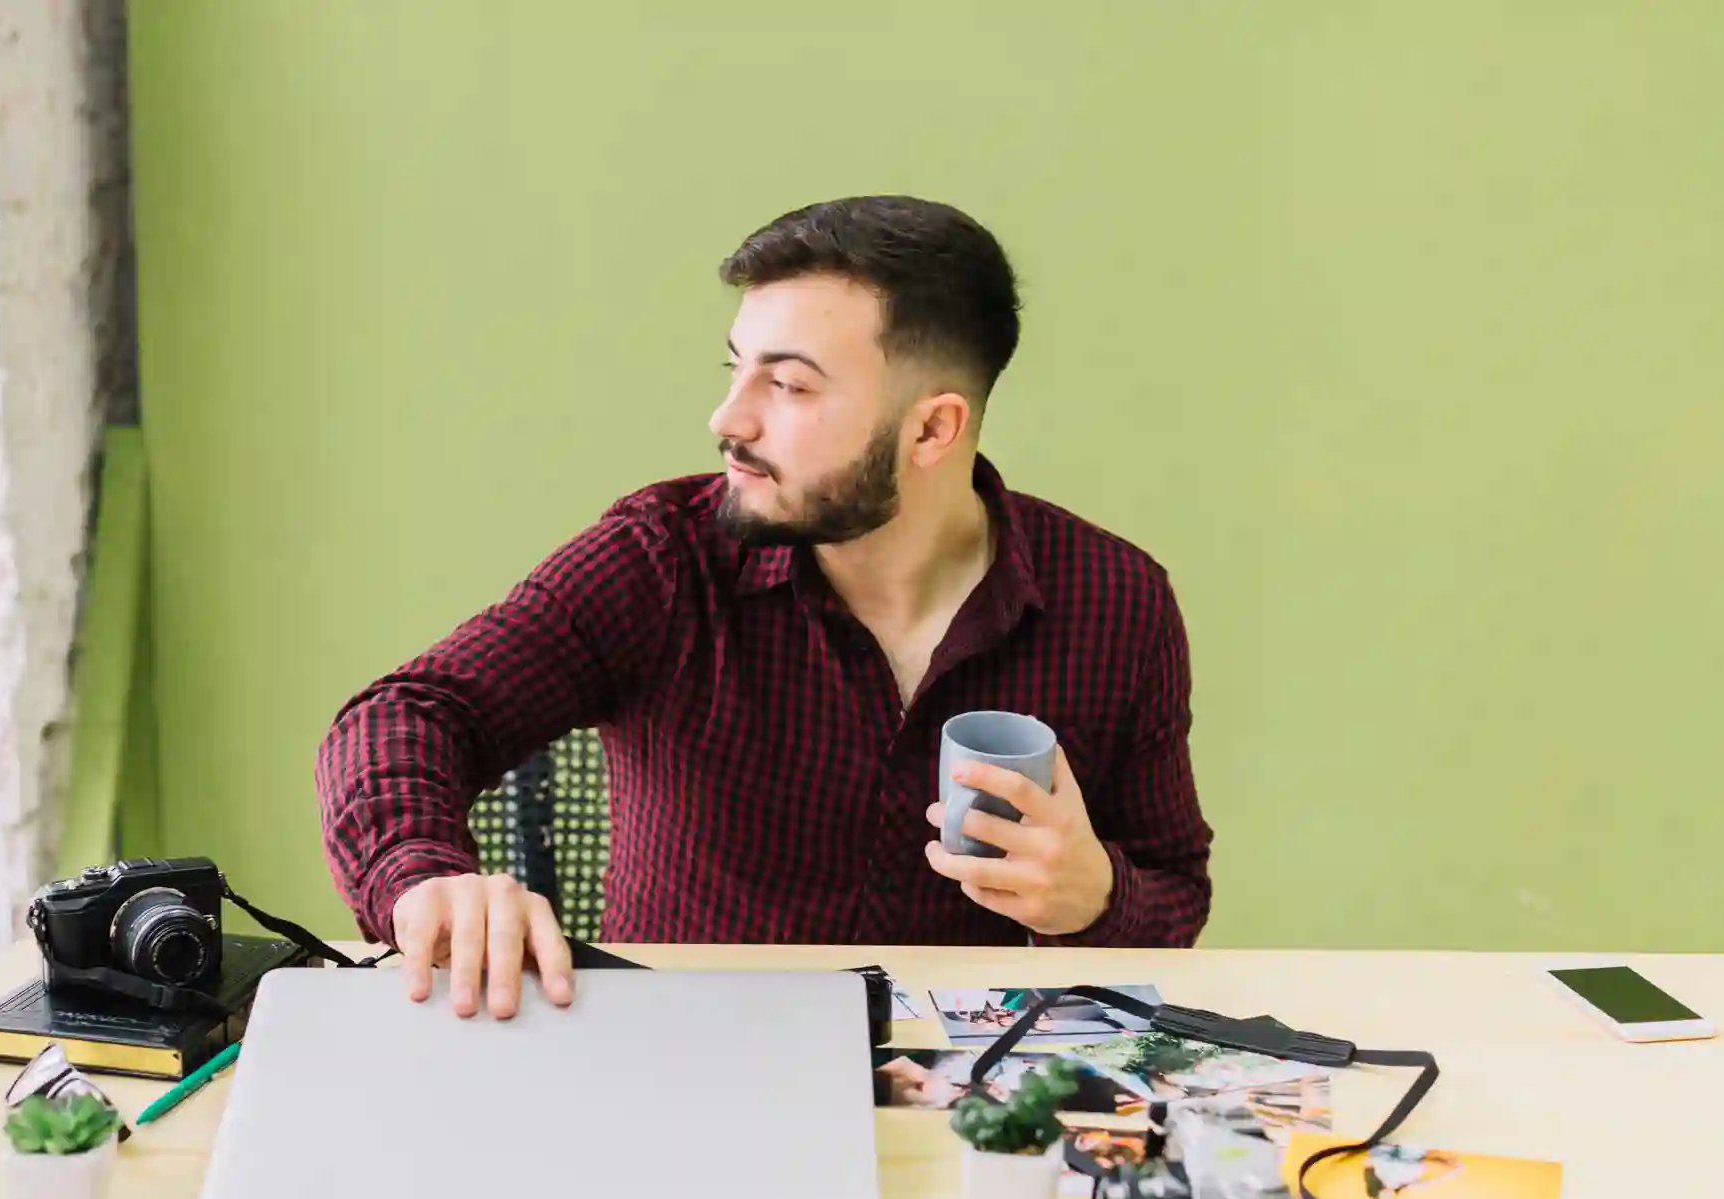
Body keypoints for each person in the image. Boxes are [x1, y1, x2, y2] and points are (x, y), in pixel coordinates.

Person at [315, 195, 1215, 1020]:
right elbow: (409, 713)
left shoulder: (1118, 602)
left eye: (788, 385)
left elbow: (1173, 893)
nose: (728, 418)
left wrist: (1096, 898)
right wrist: (423, 877)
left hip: (947, 1095)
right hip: (679, 1065)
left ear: (933, 429)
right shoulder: (663, 558)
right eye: (737, 369)